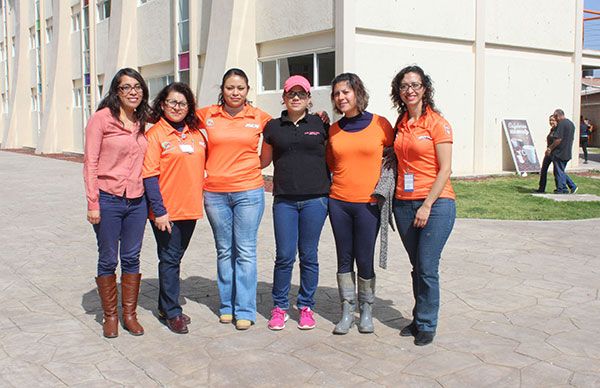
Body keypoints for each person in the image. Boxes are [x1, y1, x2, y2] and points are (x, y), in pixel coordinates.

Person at [197, 68, 271, 330]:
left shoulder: (260, 117)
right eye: (230, 88)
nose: (235, 92)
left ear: (247, 90)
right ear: (222, 89)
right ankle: (226, 306)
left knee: (246, 251)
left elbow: (268, 154)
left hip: (248, 191)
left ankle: (245, 309)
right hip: (215, 193)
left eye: (240, 88)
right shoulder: (206, 115)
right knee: (225, 249)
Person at [390, 65, 456, 346]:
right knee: (417, 266)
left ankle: (428, 323)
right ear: (399, 92)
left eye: (415, 85)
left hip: (436, 204)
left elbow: (445, 169)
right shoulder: (401, 122)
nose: (410, 90)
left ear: (425, 88)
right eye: (405, 86)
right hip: (403, 204)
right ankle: (419, 318)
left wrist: (427, 204)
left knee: (428, 266)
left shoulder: (437, 123)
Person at [83, 68, 151, 338]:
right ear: (116, 92)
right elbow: (90, 162)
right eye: (126, 87)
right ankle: (110, 316)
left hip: (137, 200)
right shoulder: (101, 119)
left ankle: (130, 315)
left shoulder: (144, 121)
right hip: (108, 198)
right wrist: (93, 202)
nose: (133, 91)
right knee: (108, 259)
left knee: (132, 257)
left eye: (137, 86)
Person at [259, 75, 330, 331]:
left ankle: (306, 306)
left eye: (301, 94)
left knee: (309, 256)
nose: (296, 97)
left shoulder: (322, 124)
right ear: (284, 97)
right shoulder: (273, 127)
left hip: (316, 200)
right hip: (285, 201)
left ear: (309, 98)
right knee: (284, 256)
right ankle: (279, 307)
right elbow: (262, 162)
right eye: (292, 93)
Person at [326, 73, 394, 335]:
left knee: (364, 258)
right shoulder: (333, 129)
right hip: (339, 202)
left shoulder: (381, 124)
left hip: (369, 203)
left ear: (357, 93)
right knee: (344, 257)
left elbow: (393, 156)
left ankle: (366, 310)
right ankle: (346, 309)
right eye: (336, 94)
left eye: (346, 92)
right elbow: (332, 163)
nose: (341, 98)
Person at [142, 83, 206, 334]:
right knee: (169, 258)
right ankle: (171, 312)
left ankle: (163, 305)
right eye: (172, 102)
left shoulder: (196, 133)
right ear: (162, 105)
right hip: (166, 212)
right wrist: (158, 211)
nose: (177, 107)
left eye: (182, 103)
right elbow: (149, 175)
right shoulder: (155, 135)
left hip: (190, 208)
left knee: (174, 257)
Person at [547, 109, 577, 194]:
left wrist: (550, 148)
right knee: (561, 171)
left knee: (559, 171)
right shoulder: (571, 124)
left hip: (560, 152)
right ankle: (569, 187)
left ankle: (561, 189)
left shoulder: (561, 124)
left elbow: (558, 139)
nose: (555, 119)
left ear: (558, 116)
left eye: (556, 117)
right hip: (567, 151)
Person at [535, 115, 557, 193]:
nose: (551, 122)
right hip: (548, 153)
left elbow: (557, 142)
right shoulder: (552, 130)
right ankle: (541, 188)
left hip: (554, 153)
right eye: (550, 120)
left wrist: (550, 149)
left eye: (553, 120)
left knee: (558, 171)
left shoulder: (558, 130)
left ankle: (571, 185)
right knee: (543, 169)